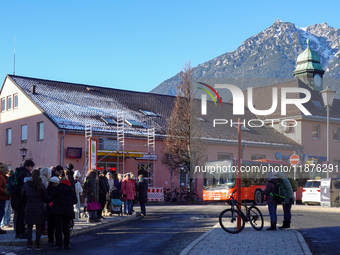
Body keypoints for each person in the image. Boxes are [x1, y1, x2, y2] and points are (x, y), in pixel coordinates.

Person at [21, 169, 48, 250]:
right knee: (38, 226)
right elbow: (45, 198)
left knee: (29, 226)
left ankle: (29, 244)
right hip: (39, 207)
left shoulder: (26, 185)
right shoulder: (41, 185)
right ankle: (37, 244)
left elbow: (22, 198)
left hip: (28, 207)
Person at [48, 178, 77, 250]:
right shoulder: (71, 190)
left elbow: (51, 198)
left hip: (58, 211)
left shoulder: (57, 188)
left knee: (59, 228)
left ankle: (59, 244)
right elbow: (75, 201)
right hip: (68, 211)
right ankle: (67, 244)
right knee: (66, 228)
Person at [13, 159, 35, 239]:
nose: (31, 168)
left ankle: (19, 232)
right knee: (21, 215)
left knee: (19, 214)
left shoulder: (21, 172)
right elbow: (24, 186)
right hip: (21, 197)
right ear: (27, 166)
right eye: (31, 167)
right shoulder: (25, 173)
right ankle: (21, 232)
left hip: (18, 196)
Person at [46, 176, 60, 247]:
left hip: (52, 210)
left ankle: (52, 240)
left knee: (52, 227)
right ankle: (52, 240)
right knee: (52, 227)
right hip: (54, 210)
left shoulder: (48, 189)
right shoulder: (57, 189)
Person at [0, 163, 10, 234]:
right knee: (1, 212)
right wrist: (6, 191)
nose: (8, 170)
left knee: (2, 212)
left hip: (2, 197)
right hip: (1, 197)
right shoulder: (1, 177)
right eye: (7, 169)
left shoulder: (3, 176)